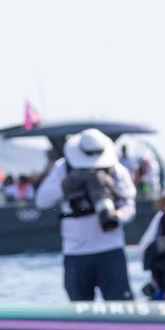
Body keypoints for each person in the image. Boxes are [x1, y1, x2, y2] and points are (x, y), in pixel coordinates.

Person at [35, 127, 135, 301]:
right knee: (79, 309)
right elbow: (41, 201)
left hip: (110, 250)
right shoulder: (63, 168)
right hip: (76, 253)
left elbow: (129, 204)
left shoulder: (116, 170)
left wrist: (118, 216)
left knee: (120, 307)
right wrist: (65, 185)